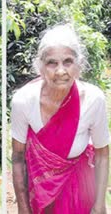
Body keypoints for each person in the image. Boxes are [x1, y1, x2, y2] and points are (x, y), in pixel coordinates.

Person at [10, 24, 109, 214]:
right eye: (52, 63)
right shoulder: (23, 100)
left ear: (79, 65)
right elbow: (18, 157)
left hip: (80, 189)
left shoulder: (93, 99)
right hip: (39, 190)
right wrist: (23, 208)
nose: (60, 71)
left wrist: (99, 205)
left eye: (68, 61)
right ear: (40, 66)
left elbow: (102, 155)